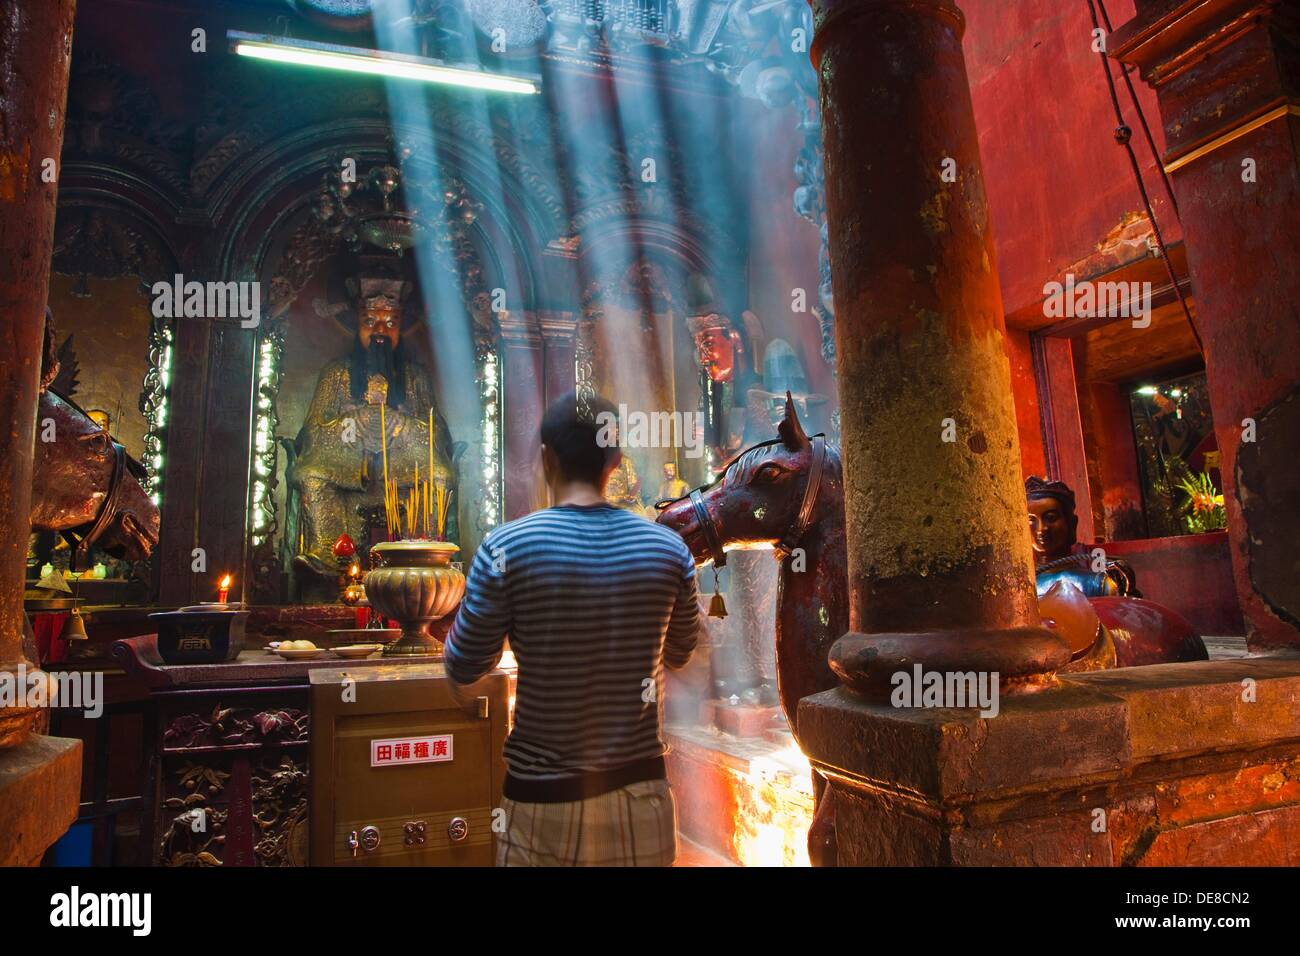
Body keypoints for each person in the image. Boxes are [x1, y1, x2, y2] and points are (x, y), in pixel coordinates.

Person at [443, 392, 701, 866]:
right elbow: (682, 653)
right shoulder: (669, 550)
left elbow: (463, 664)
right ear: (616, 460)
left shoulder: (506, 548)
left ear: (546, 458)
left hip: (542, 806)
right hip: (642, 801)